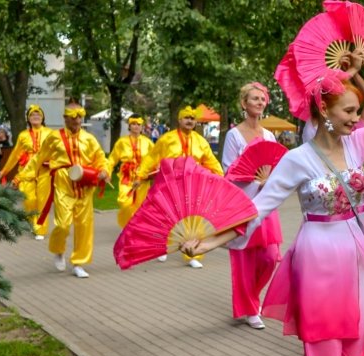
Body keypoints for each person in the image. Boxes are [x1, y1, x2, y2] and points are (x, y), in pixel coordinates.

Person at [182, 56, 364, 356]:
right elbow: (256, 209)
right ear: (324, 112)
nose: (355, 117)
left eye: (355, 110)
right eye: (347, 111)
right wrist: (210, 240)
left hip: (355, 263)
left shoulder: (359, 143)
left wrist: (358, 74)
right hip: (316, 264)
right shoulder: (295, 160)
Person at [16, 101, 110, 279]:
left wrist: (105, 170)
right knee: (62, 224)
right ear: (65, 118)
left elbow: (100, 158)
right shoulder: (54, 137)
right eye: (73, 117)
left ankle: (78, 263)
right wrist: (21, 176)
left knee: (84, 226)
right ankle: (58, 250)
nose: (77, 120)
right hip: (63, 183)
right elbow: (38, 158)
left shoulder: (89, 138)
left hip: (85, 184)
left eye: (80, 117)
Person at [221, 82, 283, 330]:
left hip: (267, 204)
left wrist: (270, 180)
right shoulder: (233, 135)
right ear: (244, 104)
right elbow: (229, 170)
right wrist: (254, 180)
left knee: (270, 257)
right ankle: (249, 308)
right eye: (254, 99)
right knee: (244, 259)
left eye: (262, 98)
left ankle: (253, 297)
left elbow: (278, 166)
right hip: (244, 203)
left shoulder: (269, 135)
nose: (259, 102)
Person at [136, 106, 224, 269]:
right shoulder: (167, 139)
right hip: (170, 185)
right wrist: (141, 174)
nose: (190, 121)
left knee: (193, 222)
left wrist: (220, 176)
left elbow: (210, 160)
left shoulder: (200, 141)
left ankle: (193, 254)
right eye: (186, 118)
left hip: (193, 186)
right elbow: (151, 157)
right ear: (179, 120)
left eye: (192, 118)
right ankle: (162, 246)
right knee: (166, 217)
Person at [0, 105, 53, 239]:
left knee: (42, 200)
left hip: (44, 170)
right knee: (29, 200)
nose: (35, 117)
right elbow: (15, 155)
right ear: (28, 119)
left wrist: (55, 162)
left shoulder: (50, 133)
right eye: (32, 115)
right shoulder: (23, 135)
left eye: (38, 114)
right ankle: (33, 222)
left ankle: (40, 229)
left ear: (42, 117)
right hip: (26, 171)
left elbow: (57, 151)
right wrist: (5, 170)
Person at [108, 114, 154, 229]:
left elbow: (155, 158)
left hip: (142, 179)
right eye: (134, 124)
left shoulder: (148, 142)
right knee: (125, 203)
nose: (136, 126)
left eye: (139, 124)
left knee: (141, 205)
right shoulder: (121, 142)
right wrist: (107, 171)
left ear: (142, 126)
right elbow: (112, 159)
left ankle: (135, 229)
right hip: (126, 177)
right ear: (129, 126)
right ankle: (127, 224)